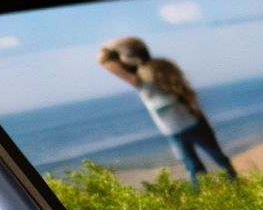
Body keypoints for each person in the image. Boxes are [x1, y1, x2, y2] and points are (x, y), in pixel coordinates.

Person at [98, 36, 235, 185]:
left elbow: (103, 60)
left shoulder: (140, 79)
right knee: (217, 158)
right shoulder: (162, 66)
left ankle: (205, 196)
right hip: (192, 121)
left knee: (194, 166)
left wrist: (109, 49)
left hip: (174, 130)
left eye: (122, 55)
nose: (120, 59)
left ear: (131, 57)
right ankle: (234, 184)